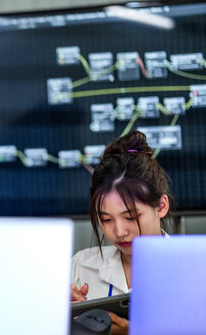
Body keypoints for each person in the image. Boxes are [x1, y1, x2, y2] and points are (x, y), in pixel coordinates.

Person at [70, 130, 173, 334]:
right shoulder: (82, 265)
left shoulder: (196, 270)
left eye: (131, 217)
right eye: (106, 219)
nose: (118, 232)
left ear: (161, 206)